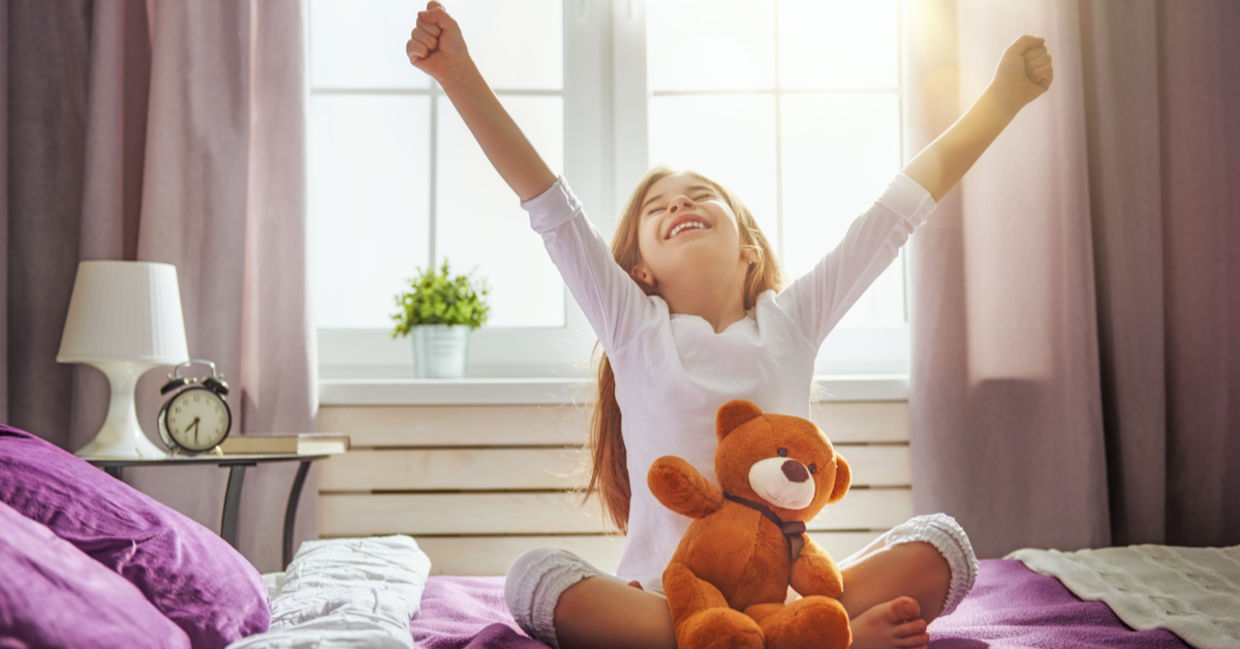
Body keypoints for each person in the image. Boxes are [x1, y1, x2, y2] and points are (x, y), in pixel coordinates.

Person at [406, 3, 1053, 649]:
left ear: (749, 247)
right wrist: (458, 73)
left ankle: (767, 634)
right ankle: (798, 639)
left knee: (945, 544)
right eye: (658, 207)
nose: (680, 203)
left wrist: (1002, 99)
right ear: (640, 271)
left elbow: (894, 216)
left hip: (785, 595)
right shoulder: (633, 325)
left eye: (699, 195)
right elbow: (549, 204)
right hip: (667, 596)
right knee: (534, 578)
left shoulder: (791, 320)